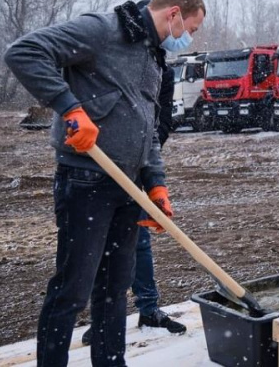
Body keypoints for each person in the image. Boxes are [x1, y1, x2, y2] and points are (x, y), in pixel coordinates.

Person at [4, 0, 205, 366]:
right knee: (73, 289)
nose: (189, 38)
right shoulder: (103, 30)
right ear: (174, 13)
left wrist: (156, 184)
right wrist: (70, 108)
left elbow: (147, 128)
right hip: (86, 182)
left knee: (115, 289)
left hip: (128, 186)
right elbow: (24, 52)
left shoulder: (153, 56)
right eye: (191, 29)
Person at [81, 21, 185, 347]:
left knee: (138, 238)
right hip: (102, 162)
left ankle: (149, 308)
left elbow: (161, 120)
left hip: (139, 162)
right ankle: (104, 316)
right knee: (101, 241)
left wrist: (144, 158)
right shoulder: (115, 61)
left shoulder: (163, 73)